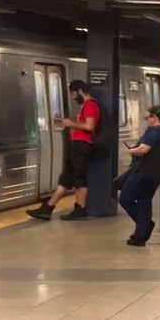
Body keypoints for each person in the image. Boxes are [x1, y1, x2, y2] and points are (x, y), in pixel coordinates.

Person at [27, 79, 99, 221]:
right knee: (66, 178)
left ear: (79, 91)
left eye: (74, 93)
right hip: (77, 145)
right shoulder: (86, 105)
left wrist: (70, 123)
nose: (73, 97)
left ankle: (81, 210)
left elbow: (90, 126)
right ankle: (47, 208)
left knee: (79, 179)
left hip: (82, 145)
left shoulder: (90, 105)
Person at [119, 106, 160, 246]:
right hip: (156, 174)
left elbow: (144, 150)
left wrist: (132, 151)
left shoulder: (153, 131)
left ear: (155, 118)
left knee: (125, 198)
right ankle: (140, 236)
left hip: (142, 172)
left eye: (148, 117)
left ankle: (145, 225)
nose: (146, 119)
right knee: (144, 201)